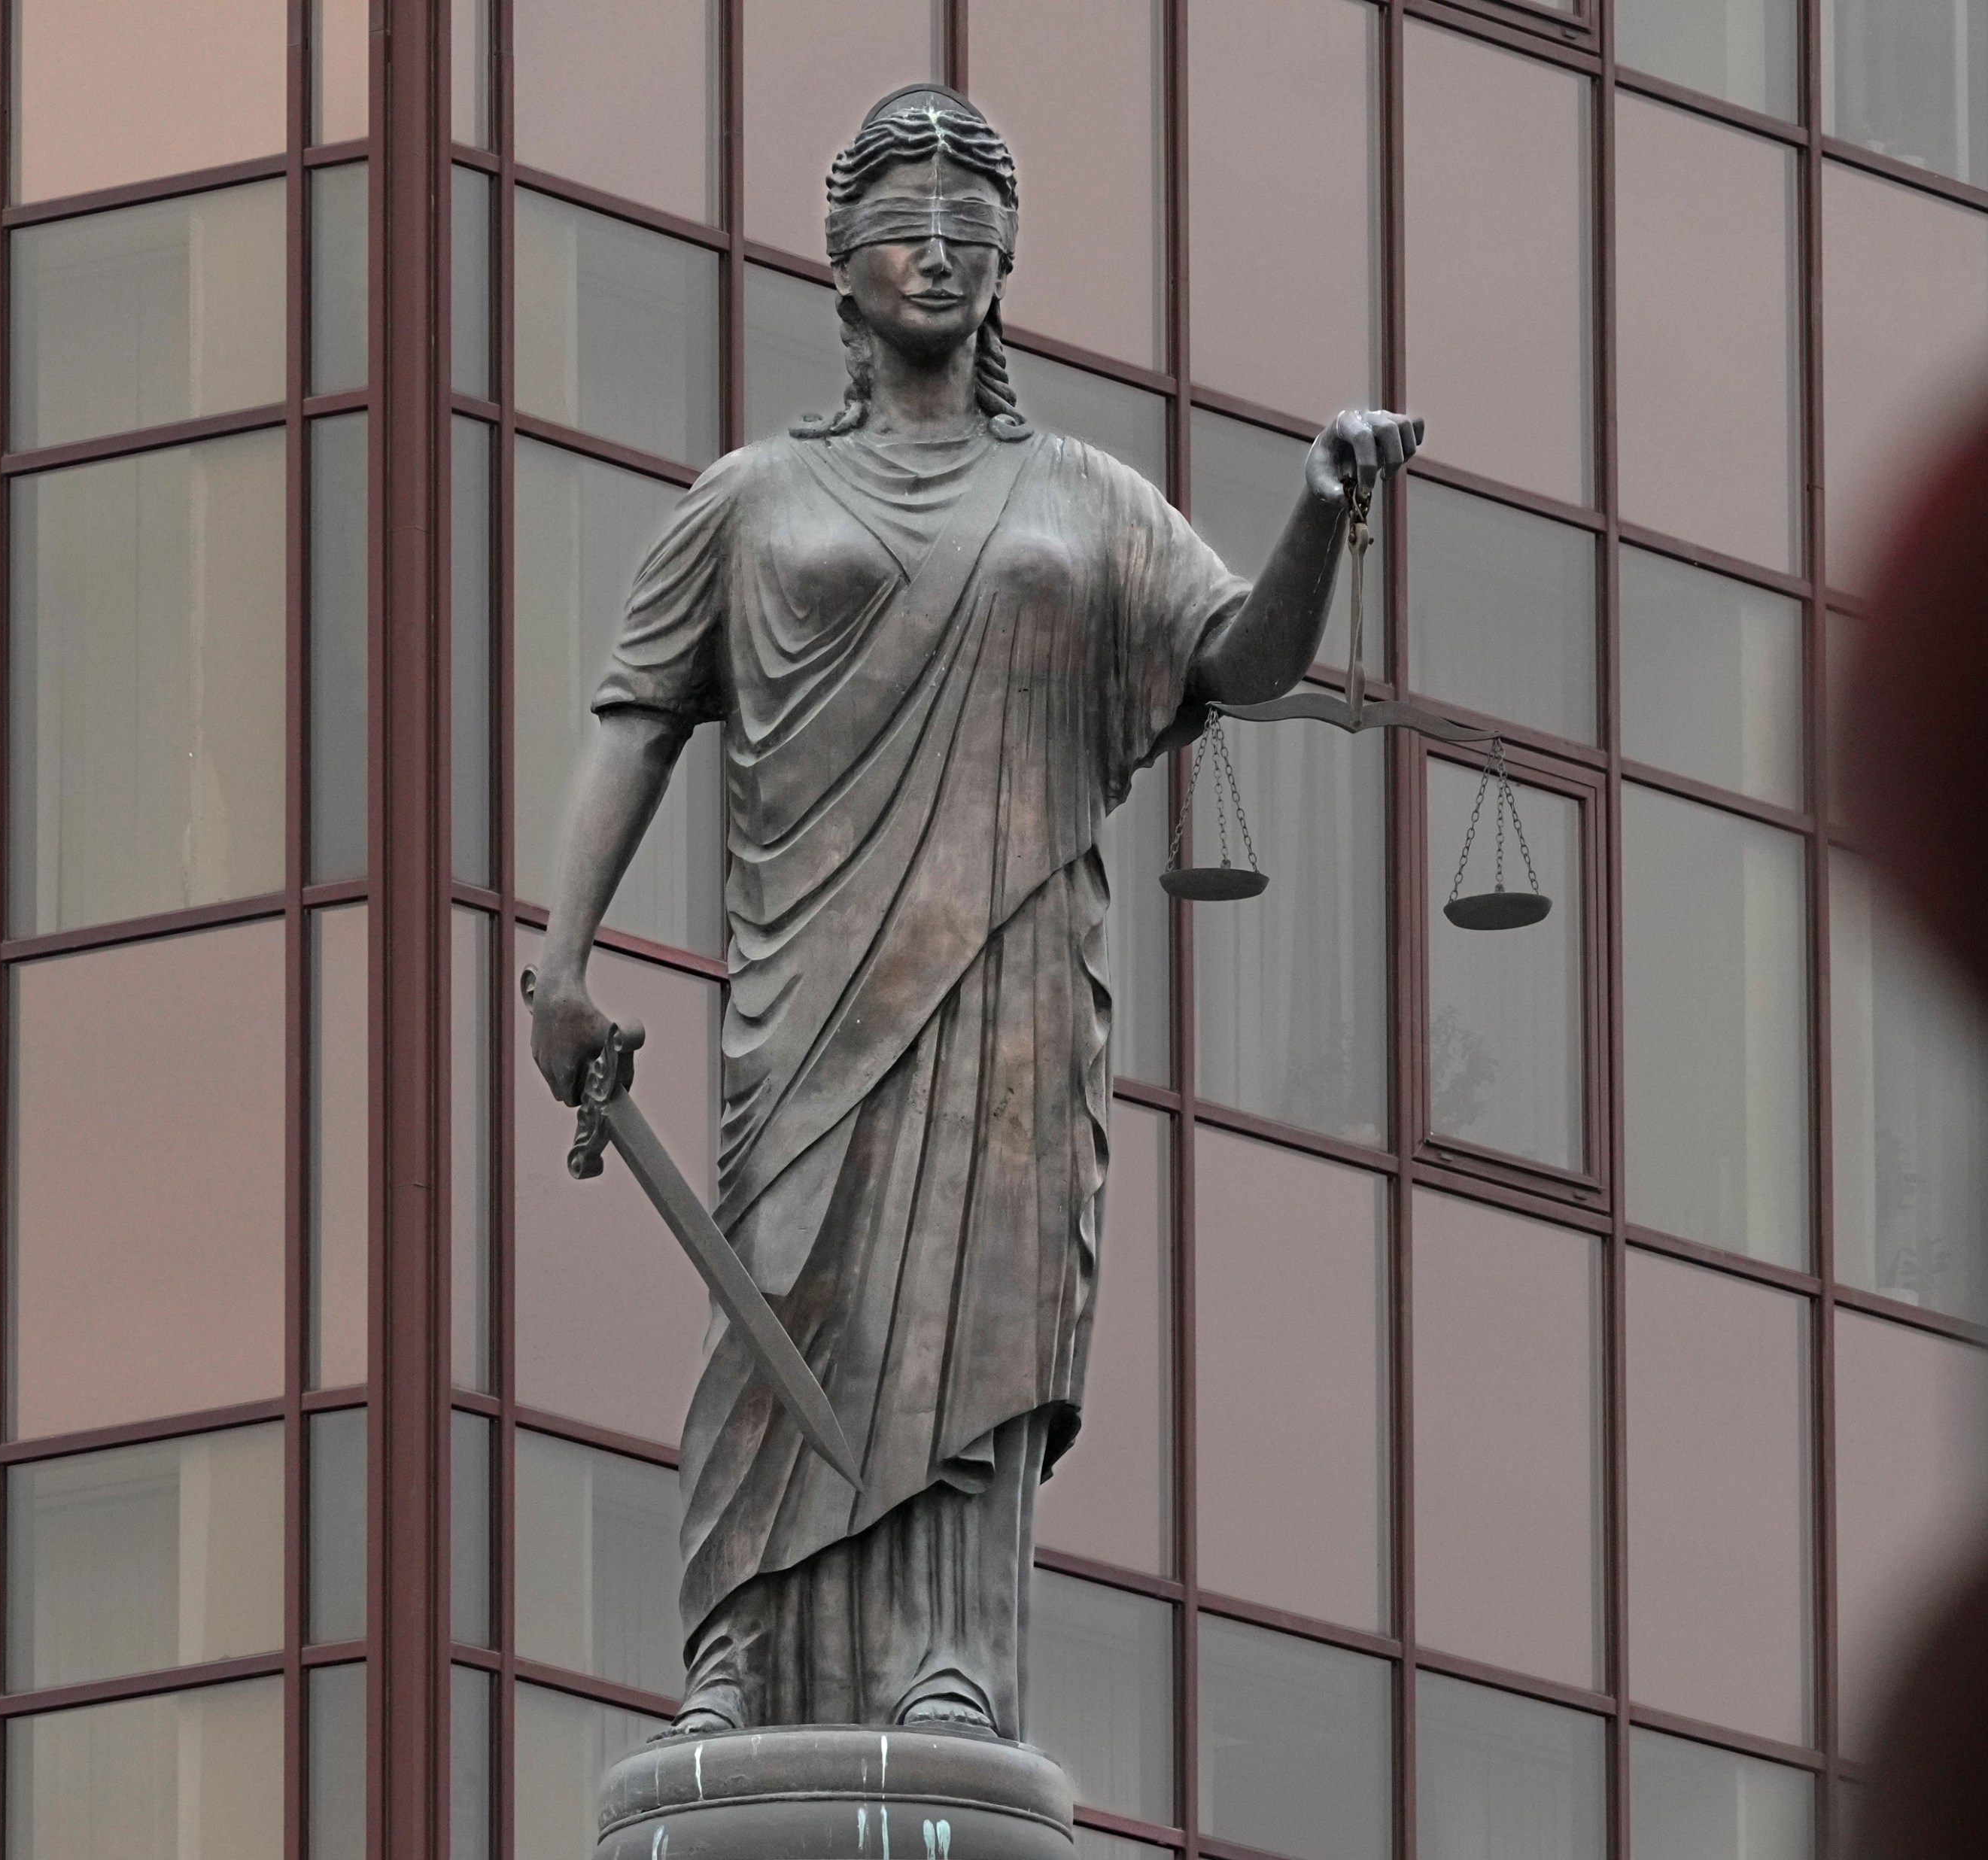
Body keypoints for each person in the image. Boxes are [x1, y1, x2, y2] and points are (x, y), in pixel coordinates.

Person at [521, 84, 1416, 1741]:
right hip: (811, 981)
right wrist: (558, 960)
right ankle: (738, 1651)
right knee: (790, 1283)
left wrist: (1322, 507)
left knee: (981, 1308)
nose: (936, 255)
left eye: (969, 233)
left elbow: (1245, 659)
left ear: (1004, 269)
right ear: (841, 269)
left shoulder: (1088, 499)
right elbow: (634, 718)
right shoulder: (749, 500)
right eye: (901, 229)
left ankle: (957, 1665)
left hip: (1011, 971)